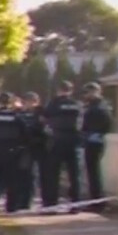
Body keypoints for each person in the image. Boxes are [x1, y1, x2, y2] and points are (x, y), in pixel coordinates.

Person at [42, 80, 83, 212]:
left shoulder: (54, 103)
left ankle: (51, 205)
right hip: (73, 141)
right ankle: (75, 205)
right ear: (71, 91)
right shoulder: (77, 104)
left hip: (57, 140)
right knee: (74, 175)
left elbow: (44, 118)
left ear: (59, 90)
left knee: (53, 174)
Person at [80, 81, 114, 212]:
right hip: (89, 141)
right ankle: (94, 200)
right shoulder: (92, 106)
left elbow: (108, 123)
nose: (86, 95)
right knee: (91, 172)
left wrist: (96, 134)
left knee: (94, 173)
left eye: (88, 92)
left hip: (95, 142)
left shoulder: (101, 106)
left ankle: (98, 203)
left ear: (96, 92)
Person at [15, 92, 48, 212]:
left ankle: (32, 201)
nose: (28, 104)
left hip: (38, 147)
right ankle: (23, 201)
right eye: (26, 101)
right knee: (24, 175)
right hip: (25, 147)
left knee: (33, 176)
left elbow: (44, 130)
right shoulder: (21, 114)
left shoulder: (41, 113)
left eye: (30, 101)